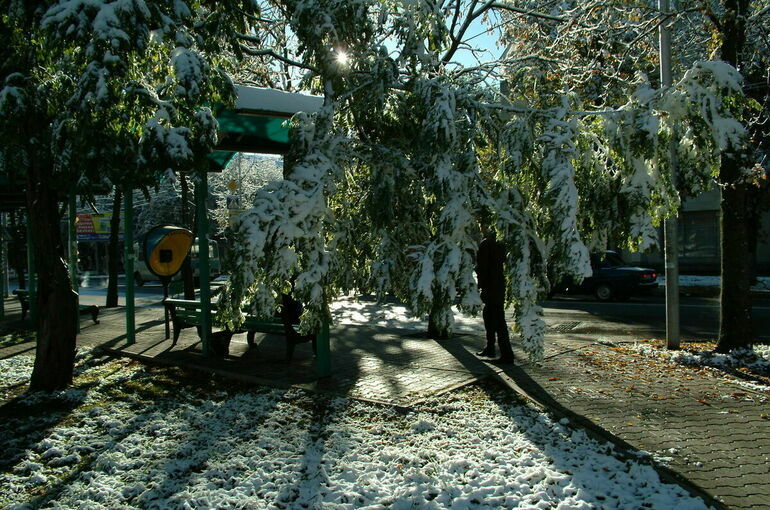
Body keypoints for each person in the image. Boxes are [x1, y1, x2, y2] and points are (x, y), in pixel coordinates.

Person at [475, 225, 514, 363]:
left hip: (491, 287)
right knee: (490, 316)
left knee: (497, 320)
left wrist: (481, 285)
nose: (481, 228)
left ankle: (506, 354)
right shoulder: (501, 243)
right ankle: (490, 348)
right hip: (497, 286)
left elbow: (482, 268)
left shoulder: (486, 244)